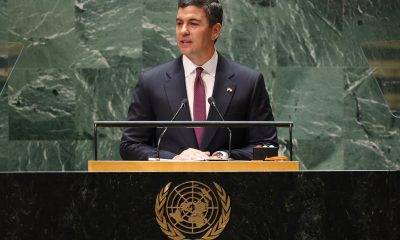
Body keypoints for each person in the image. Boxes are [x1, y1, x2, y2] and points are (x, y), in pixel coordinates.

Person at [120, 0, 277, 160]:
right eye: (179, 23)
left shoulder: (248, 82)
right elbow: (131, 145)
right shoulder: (152, 82)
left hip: (230, 183)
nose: (183, 31)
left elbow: (266, 146)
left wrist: (223, 157)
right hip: (169, 184)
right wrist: (174, 159)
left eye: (193, 24)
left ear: (215, 31)